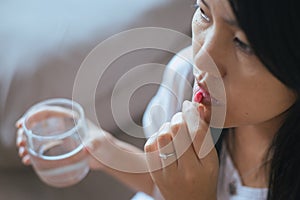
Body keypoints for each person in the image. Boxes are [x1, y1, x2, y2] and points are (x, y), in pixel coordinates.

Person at [16, 0, 300, 199]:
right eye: (203, 12)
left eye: (243, 43)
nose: (202, 58)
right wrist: (103, 148)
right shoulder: (185, 78)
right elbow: (168, 185)